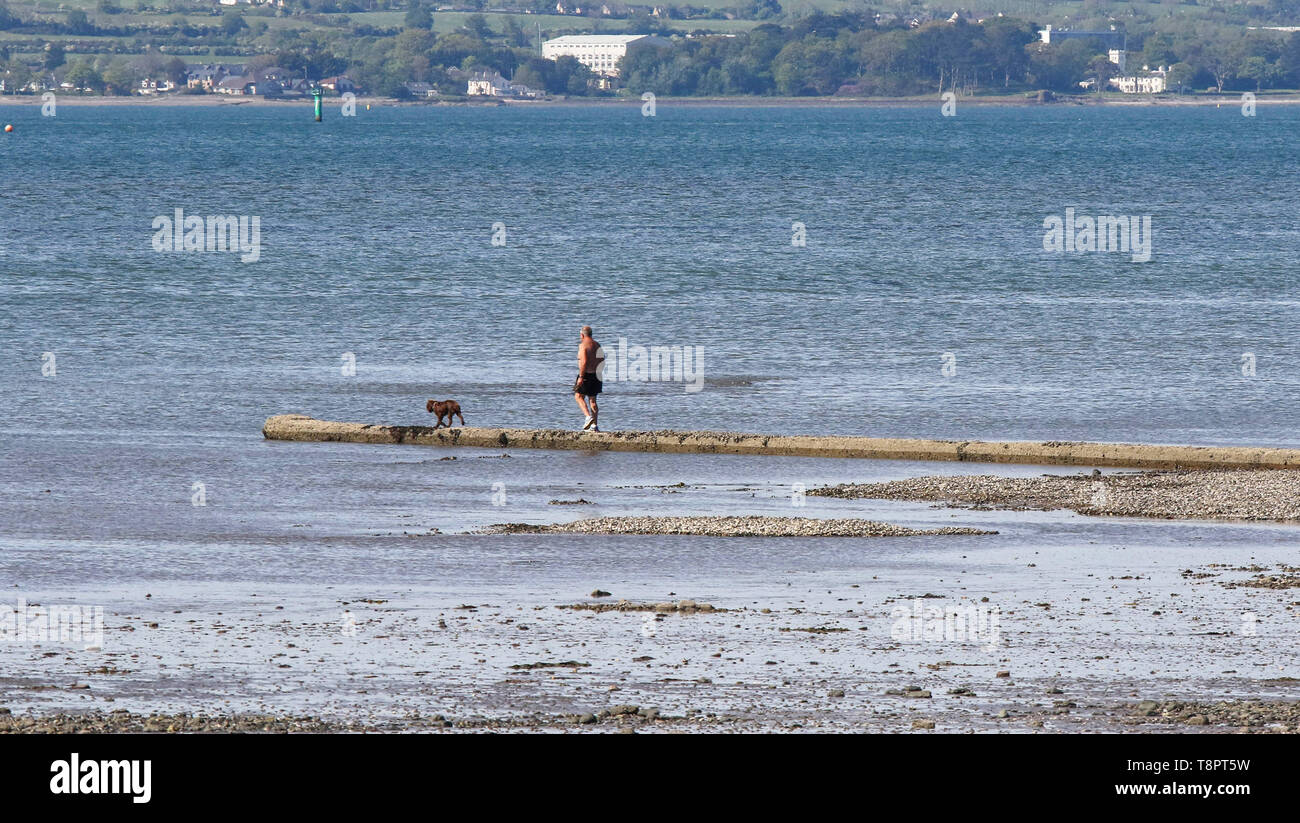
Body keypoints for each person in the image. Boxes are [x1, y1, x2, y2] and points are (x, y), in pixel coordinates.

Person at [573, 325, 604, 431]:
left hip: (586, 374)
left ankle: (588, 417)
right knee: (593, 401)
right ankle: (595, 426)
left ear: (582, 335)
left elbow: (584, 362)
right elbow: (602, 360)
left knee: (578, 396)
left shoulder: (583, 345)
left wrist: (581, 377)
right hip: (597, 375)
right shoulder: (597, 345)